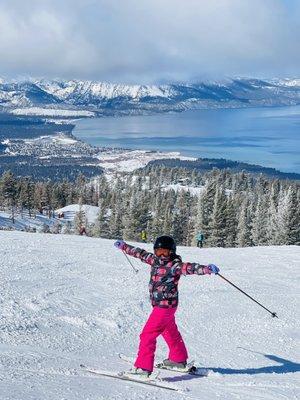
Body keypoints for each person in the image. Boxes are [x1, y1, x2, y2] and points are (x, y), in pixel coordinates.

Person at [114, 235, 219, 378]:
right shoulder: (154, 260)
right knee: (169, 331)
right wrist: (124, 247)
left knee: (147, 335)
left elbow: (190, 268)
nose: (162, 255)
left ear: (172, 252)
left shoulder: (175, 265)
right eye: (159, 252)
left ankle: (143, 368)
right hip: (164, 306)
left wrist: (206, 269)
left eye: (165, 252)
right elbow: (140, 253)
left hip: (163, 307)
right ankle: (177, 359)